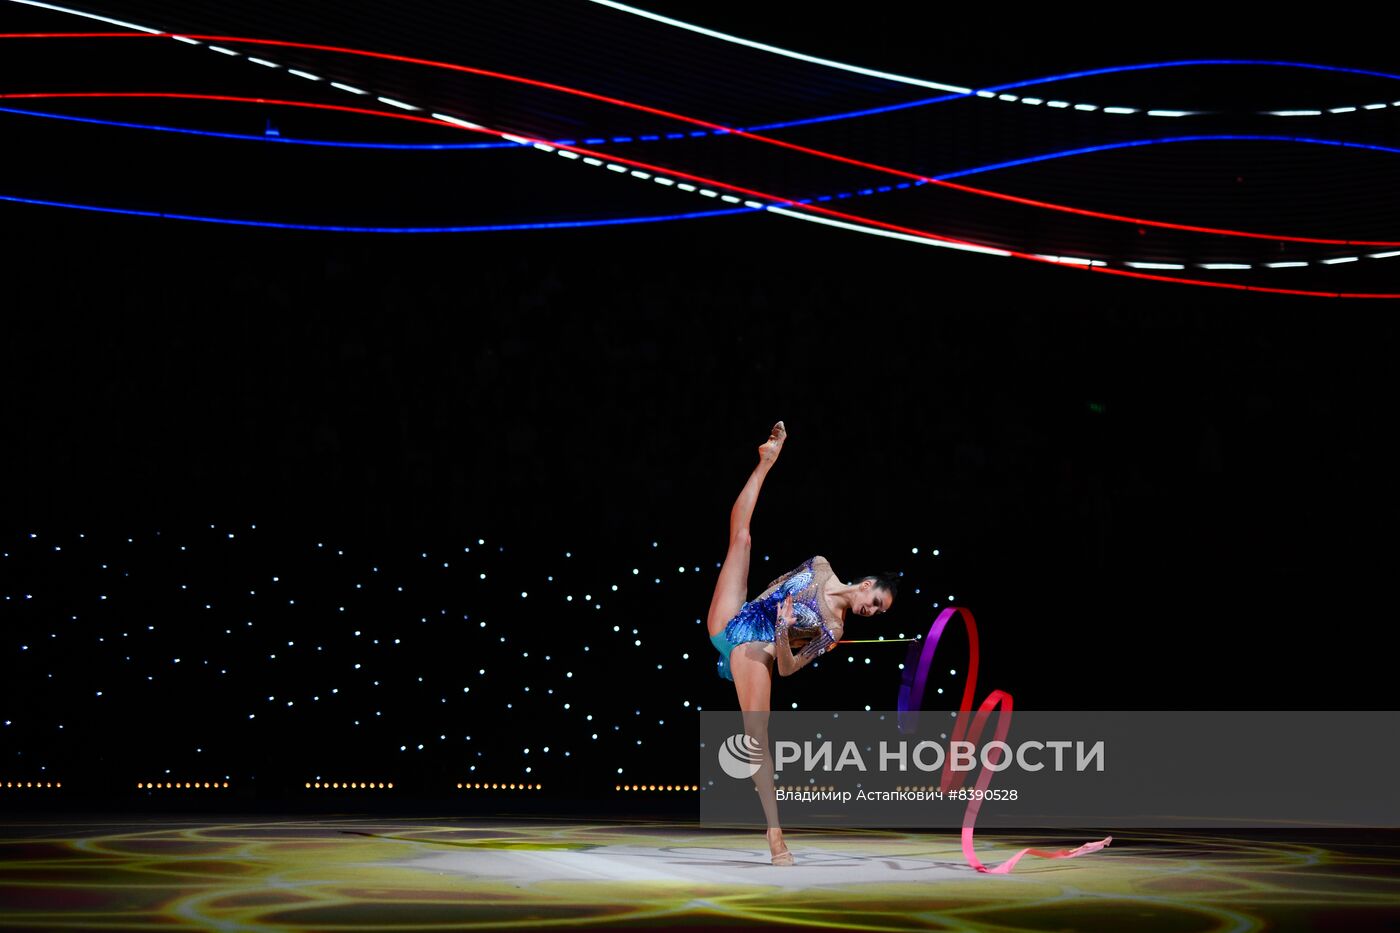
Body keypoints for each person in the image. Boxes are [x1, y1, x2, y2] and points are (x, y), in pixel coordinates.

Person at [705, 420, 899, 865]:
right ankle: (765, 462)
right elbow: (775, 584)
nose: (872, 610)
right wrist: (770, 609)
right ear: (867, 583)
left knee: (757, 737)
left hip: (757, 647)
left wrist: (783, 628)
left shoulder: (834, 631)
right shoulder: (821, 564)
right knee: (742, 537)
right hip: (734, 618)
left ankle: (775, 835)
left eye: (880, 611)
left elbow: (789, 668)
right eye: (877, 600)